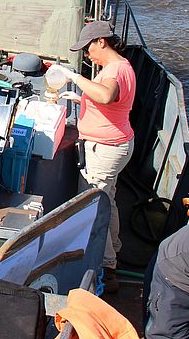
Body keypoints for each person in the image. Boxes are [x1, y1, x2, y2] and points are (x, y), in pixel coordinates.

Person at [56, 20, 136, 292]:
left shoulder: (114, 69)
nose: (87, 55)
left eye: (88, 49)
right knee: (107, 200)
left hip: (105, 150)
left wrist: (74, 78)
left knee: (92, 207)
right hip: (115, 144)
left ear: (101, 41)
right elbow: (113, 104)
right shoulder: (122, 67)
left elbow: (106, 96)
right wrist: (81, 99)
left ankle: (105, 269)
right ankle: (114, 252)